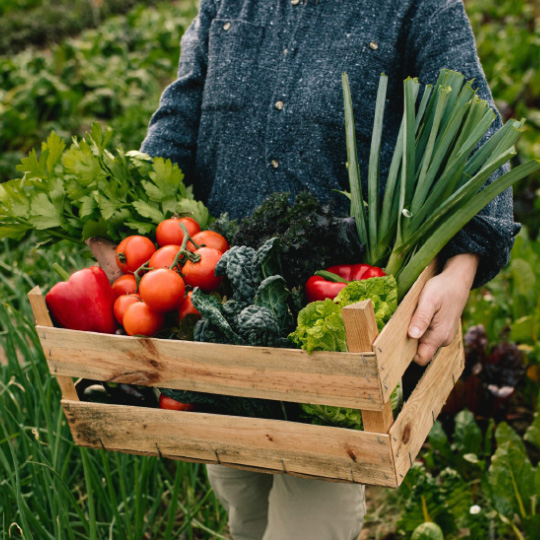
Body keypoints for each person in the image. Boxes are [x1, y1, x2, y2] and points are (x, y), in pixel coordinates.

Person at [139, 1, 520, 539]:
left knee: (310, 521)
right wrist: (129, 214)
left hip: (332, 330)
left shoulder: (417, 8)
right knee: (244, 506)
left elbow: (474, 129)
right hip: (219, 310)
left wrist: (459, 270)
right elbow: (180, 113)